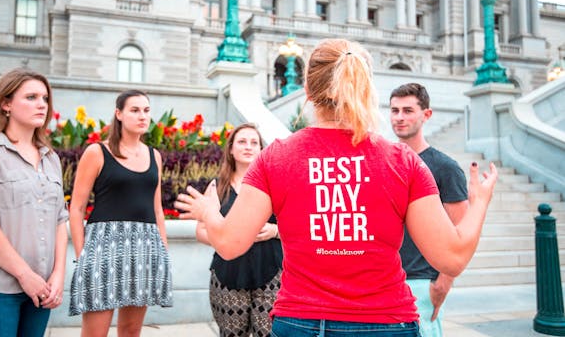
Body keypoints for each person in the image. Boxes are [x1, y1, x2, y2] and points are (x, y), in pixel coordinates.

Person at [174, 38, 498, 337]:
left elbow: (230, 243)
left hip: (301, 321)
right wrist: (479, 201)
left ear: (308, 91)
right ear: (364, 90)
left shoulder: (277, 158)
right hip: (386, 321)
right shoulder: (402, 161)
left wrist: (209, 212)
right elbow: (451, 258)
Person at [0, 68, 68, 336]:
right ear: (6, 104)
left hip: (40, 291)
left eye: (44, 98)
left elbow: (60, 219)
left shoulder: (50, 158)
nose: (41, 104)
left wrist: (57, 276)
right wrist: (24, 275)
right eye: (31, 97)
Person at [68, 90, 173, 337]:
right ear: (119, 114)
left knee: (130, 332)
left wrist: (163, 252)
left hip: (145, 248)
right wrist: (82, 256)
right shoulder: (96, 152)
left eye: (146, 110)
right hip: (104, 247)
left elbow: (157, 208)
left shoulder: (154, 155)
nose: (142, 116)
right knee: (95, 333)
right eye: (135, 110)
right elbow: (76, 208)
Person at [390, 83, 468, 337]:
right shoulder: (383, 161)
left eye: (408, 110)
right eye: (395, 110)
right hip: (384, 279)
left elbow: (461, 232)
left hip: (422, 283)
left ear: (426, 114)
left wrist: (442, 284)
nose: (399, 118)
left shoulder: (446, 168)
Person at [196, 123, 282, 337]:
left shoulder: (275, 185)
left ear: (261, 150)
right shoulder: (217, 188)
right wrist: (226, 238)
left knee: (268, 333)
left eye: (254, 143)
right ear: (231, 149)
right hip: (228, 275)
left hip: (271, 273)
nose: (248, 147)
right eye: (242, 142)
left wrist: (274, 230)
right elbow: (200, 230)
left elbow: (294, 226)